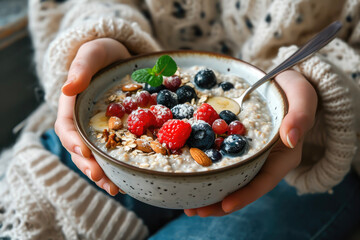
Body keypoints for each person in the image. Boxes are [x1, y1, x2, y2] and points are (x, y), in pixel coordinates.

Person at [1, 0, 360, 239]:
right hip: (132, 113)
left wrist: (322, 83)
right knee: (34, 198)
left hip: (320, 154)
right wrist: (104, 36)